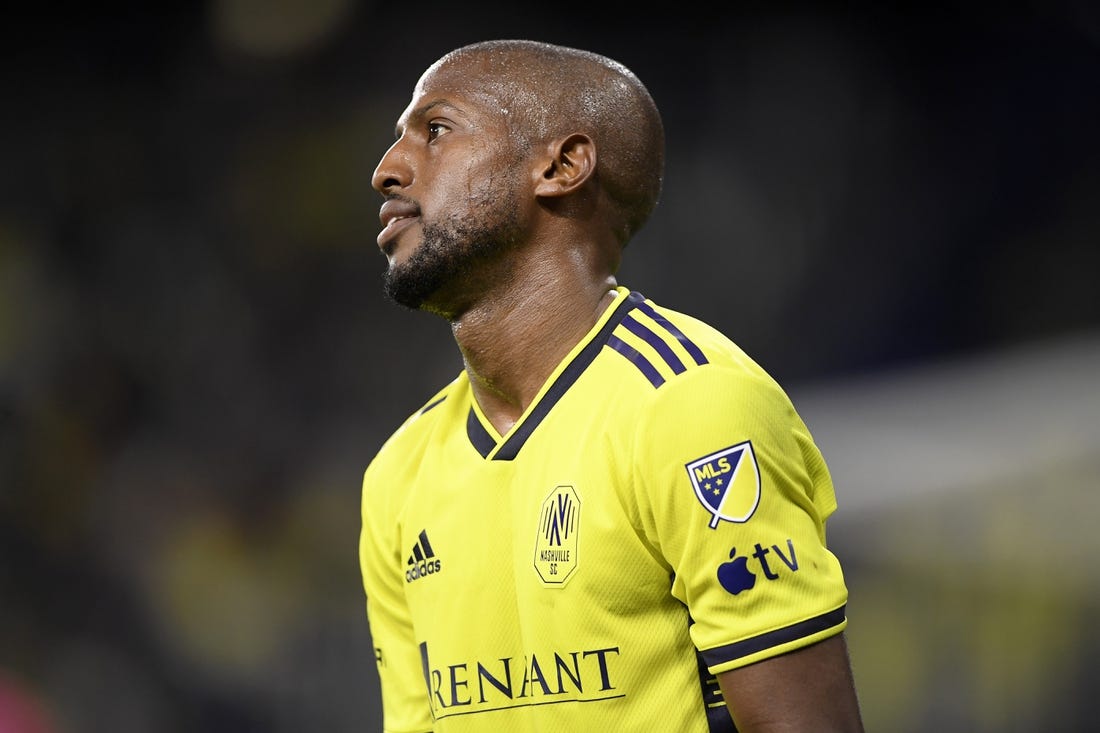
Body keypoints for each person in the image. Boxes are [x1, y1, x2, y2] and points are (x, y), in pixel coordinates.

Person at [358, 39, 864, 733]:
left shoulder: (691, 407)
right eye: (398, 140)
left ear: (562, 166)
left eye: (436, 130)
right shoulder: (398, 475)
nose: (387, 171)